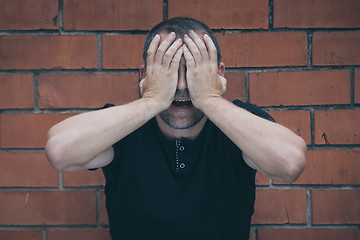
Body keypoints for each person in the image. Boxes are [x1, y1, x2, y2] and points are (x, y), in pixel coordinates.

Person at [45, 17, 306, 240]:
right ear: (144, 75)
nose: (182, 85)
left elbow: (290, 163)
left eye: (193, 70)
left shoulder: (240, 124)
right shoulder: (121, 129)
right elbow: (59, 150)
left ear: (219, 74)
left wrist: (210, 99)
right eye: (169, 71)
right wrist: (153, 100)